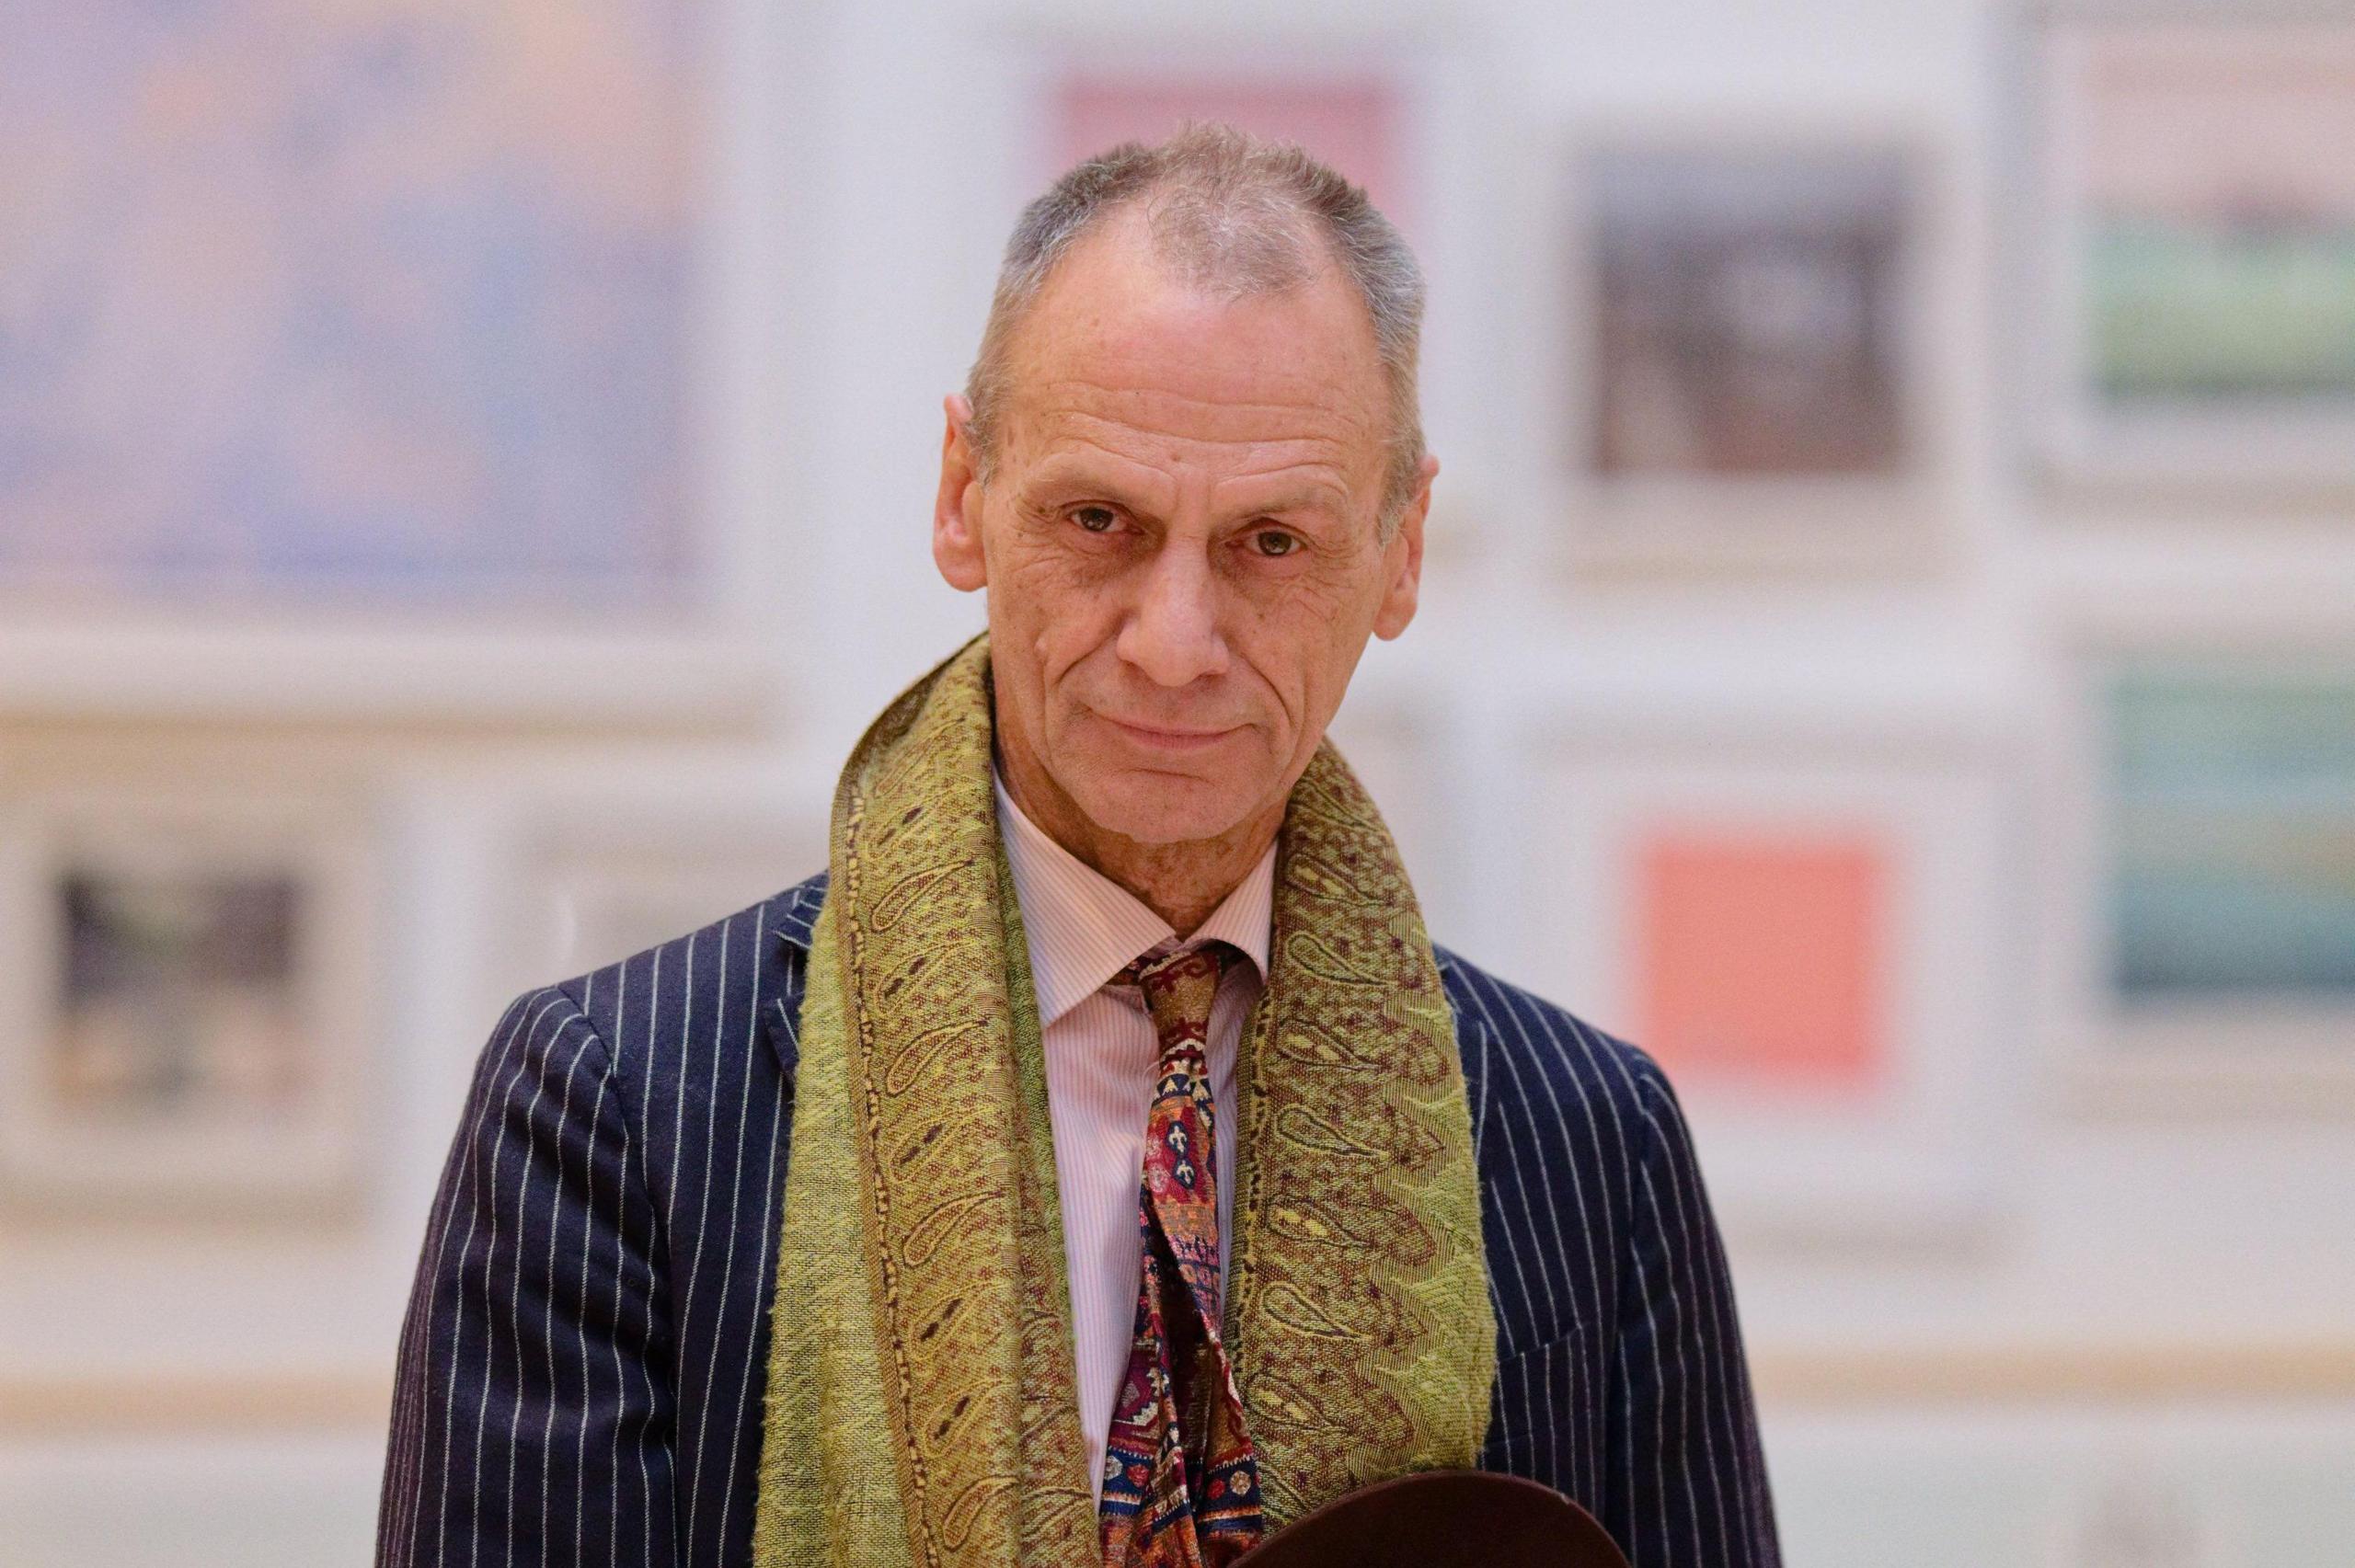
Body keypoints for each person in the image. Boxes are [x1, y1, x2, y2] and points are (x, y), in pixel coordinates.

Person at [377, 123, 1781, 1568]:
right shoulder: (614, 1109)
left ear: (1401, 550)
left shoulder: (1589, 1137)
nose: (1174, 644)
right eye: (1099, 519)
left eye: (1272, 543)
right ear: (960, 493)